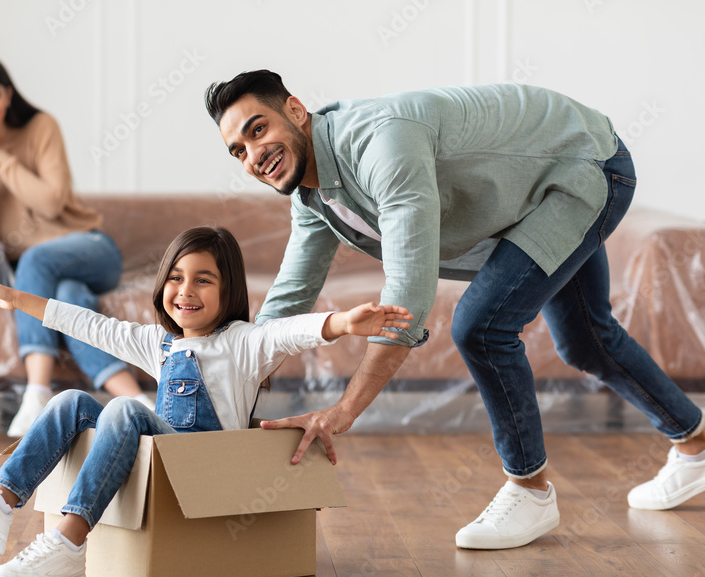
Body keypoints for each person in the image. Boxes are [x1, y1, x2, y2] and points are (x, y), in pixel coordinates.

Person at [204, 69, 705, 551]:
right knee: (585, 338)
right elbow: (289, 297)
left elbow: (406, 297)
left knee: (481, 327)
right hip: (531, 191)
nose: (254, 154)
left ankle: (530, 490)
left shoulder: (382, 144)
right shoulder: (314, 196)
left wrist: (342, 411)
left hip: (583, 166)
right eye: (238, 150)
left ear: (296, 110)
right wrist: (227, 381)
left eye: (258, 129)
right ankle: (696, 445)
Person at [0, 226, 413, 577]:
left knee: (126, 412)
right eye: (176, 278)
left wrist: (343, 321)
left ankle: (69, 543)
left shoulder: (242, 343)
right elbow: (90, 326)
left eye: (203, 280)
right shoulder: (158, 344)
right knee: (69, 401)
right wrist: (18, 300)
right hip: (163, 456)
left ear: (227, 290)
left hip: (203, 465)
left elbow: (291, 332)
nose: (186, 291)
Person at [0, 52, 152, 437]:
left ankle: (36, 391)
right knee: (70, 298)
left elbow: (51, 201)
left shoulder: (41, 127)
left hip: (91, 248)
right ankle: (141, 403)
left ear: (8, 95)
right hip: (41, 273)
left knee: (36, 260)